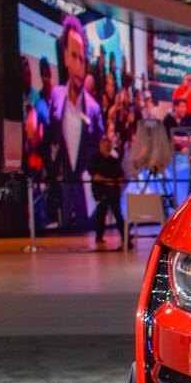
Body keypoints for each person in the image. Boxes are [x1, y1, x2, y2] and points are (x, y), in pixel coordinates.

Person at [46, 14, 105, 231]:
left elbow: (100, 148)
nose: (79, 64)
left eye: (82, 58)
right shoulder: (55, 98)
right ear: (65, 58)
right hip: (61, 188)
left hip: (85, 194)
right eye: (74, 56)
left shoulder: (94, 108)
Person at [89, 133, 125, 247]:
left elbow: (121, 175)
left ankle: (125, 236)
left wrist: (116, 183)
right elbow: (94, 175)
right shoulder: (95, 159)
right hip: (101, 192)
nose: (107, 148)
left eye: (108, 145)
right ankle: (99, 236)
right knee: (101, 214)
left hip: (113, 191)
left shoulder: (114, 160)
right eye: (105, 145)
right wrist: (106, 180)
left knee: (118, 214)